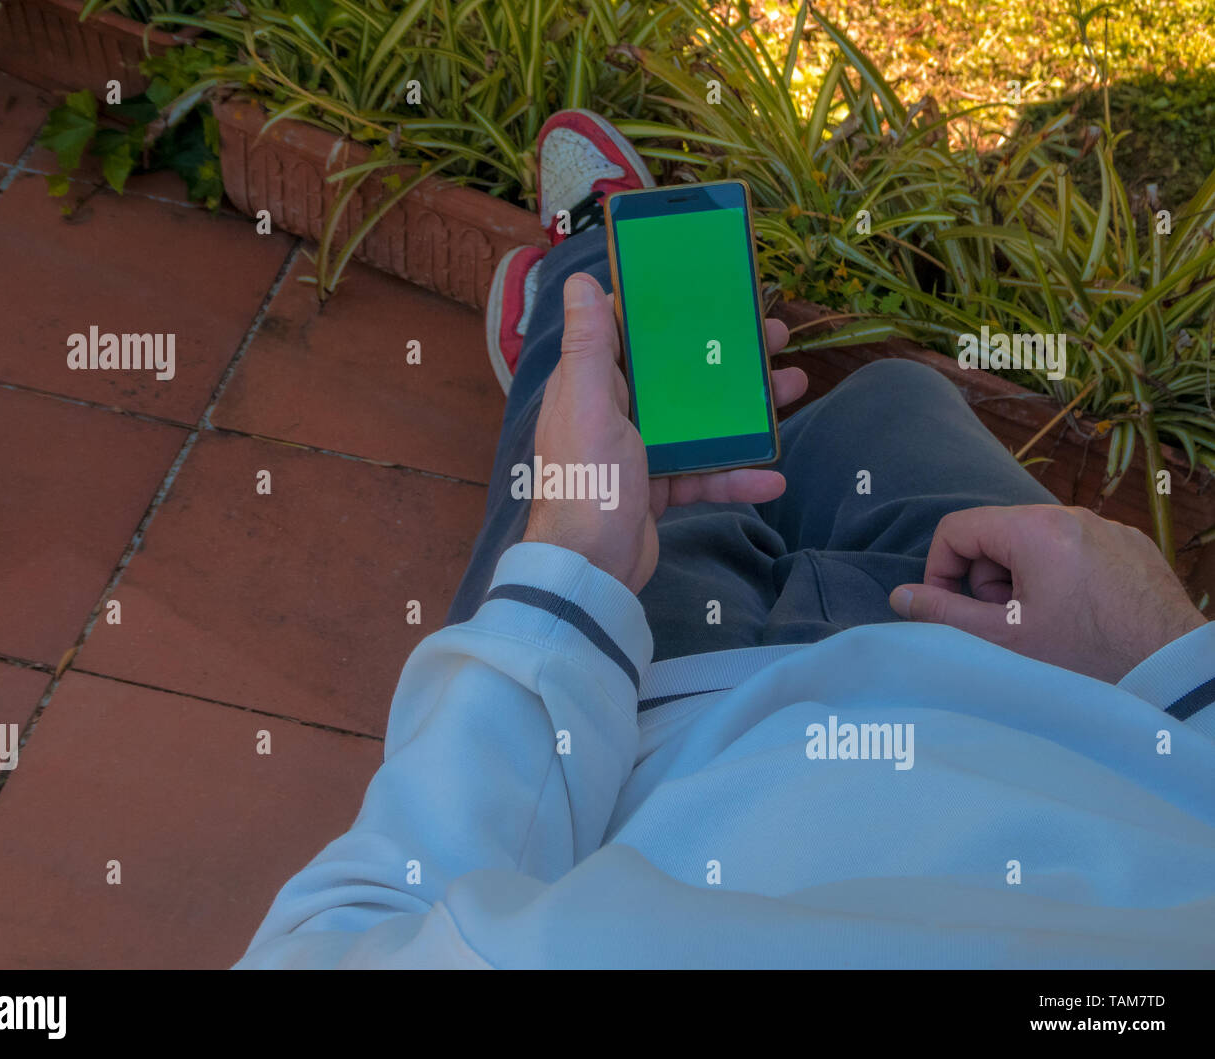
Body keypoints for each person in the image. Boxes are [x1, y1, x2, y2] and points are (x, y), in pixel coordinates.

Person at [235, 110, 1215, 969]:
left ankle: (575, 275)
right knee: (896, 399)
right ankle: (596, 322)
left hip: (639, 731)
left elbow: (353, 928)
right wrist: (1172, 667)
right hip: (1028, 677)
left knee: (616, 454)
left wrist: (570, 560)